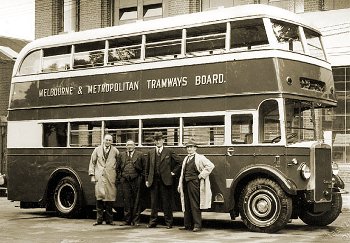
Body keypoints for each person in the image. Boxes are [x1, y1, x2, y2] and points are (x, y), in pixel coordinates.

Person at [145, 131, 182, 229]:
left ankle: (169, 223)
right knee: (154, 203)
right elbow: (147, 168)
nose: (157, 142)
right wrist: (147, 179)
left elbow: (179, 162)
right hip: (153, 181)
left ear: (163, 140)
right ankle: (153, 222)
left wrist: (173, 173)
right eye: (156, 140)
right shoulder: (151, 152)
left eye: (159, 140)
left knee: (166, 203)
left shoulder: (168, 151)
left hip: (165, 181)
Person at [177, 137, 215, 232]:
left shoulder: (200, 158)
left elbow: (210, 166)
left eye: (191, 147)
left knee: (194, 204)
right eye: (188, 147)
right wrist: (180, 184)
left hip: (194, 184)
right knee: (186, 204)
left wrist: (201, 175)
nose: (189, 149)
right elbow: (183, 172)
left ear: (195, 148)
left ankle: (197, 225)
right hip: (186, 183)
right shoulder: (186, 158)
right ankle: (187, 225)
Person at [88, 134, 119, 226]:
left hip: (110, 177)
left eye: (110, 140)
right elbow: (92, 163)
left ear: (112, 141)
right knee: (99, 199)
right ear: (103, 140)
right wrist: (92, 175)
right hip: (99, 177)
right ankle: (99, 220)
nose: (108, 141)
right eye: (106, 140)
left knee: (110, 199)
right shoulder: (97, 150)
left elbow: (119, 163)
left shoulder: (115, 151)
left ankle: (109, 220)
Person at [117, 139, 144, 226]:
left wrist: (140, 178)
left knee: (137, 200)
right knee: (126, 200)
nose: (129, 147)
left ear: (134, 146)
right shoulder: (121, 155)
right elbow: (118, 168)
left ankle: (136, 221)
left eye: (131, 145)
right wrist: (120, 177)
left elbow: (144, 168)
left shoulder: (140, 154)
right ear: (126, 146)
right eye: (128, 145)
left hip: (136, 179)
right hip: (125, 180)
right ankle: (127, 220)